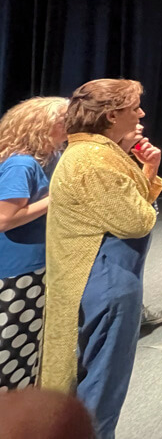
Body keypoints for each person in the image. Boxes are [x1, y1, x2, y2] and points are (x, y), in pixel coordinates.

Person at [39, 79, 162, 439]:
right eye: (134, 108)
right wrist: (145, 197)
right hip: (105, 275)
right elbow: (135, 221)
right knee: (103, 382)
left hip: (105, 272)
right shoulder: (93, 159)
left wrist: (148, 171)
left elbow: (128, 205)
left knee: (99, 376)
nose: (141, 114)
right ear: (111, 115)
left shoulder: (94, 153)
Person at [0, 96, 68, 390]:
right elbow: (4, 219)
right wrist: (57, 198)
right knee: (11, 346)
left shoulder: (51, 157)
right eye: (64, 120)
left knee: (27, 346)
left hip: (35, 263)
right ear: (42, 125)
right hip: (17, 270)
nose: (71, 124)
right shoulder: (22, 164)